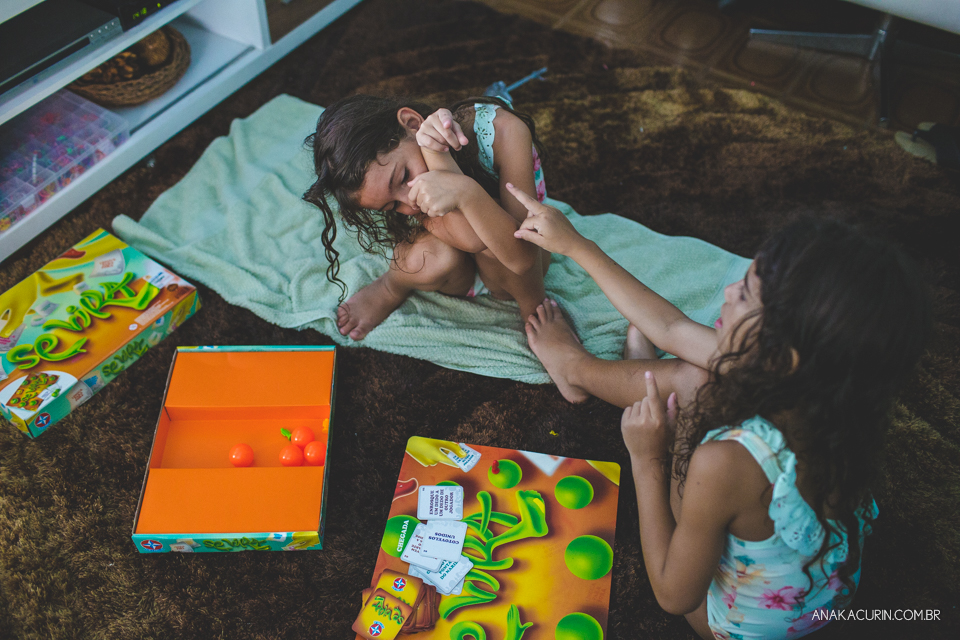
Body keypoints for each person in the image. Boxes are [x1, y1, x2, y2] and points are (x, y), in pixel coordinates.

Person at [508, 184, 931, 639]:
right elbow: (672, 328)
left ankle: (575, 368)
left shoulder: (726, 463)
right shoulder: (837, 395)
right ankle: (621, 370)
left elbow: (674, 596)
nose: (728, 290)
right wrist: (577, 246)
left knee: (694, 387)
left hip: (729, 623)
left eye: (747, 293)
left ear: (780, 355)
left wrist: (648, 458)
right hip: (826, 598)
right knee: (695, 372)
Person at [303, 94, 549, 340]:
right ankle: (392, 286)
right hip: (463, 260)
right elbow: (471, 239)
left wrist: (465, 191)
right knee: (428, 259)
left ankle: (536, 314)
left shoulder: (503, 131)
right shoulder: (415, 200)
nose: (410, 203)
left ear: (413, 124)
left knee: (492, 228)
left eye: (403, 177)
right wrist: (444, 168)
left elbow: (523, 258)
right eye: (392, 206)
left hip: (519, 256)